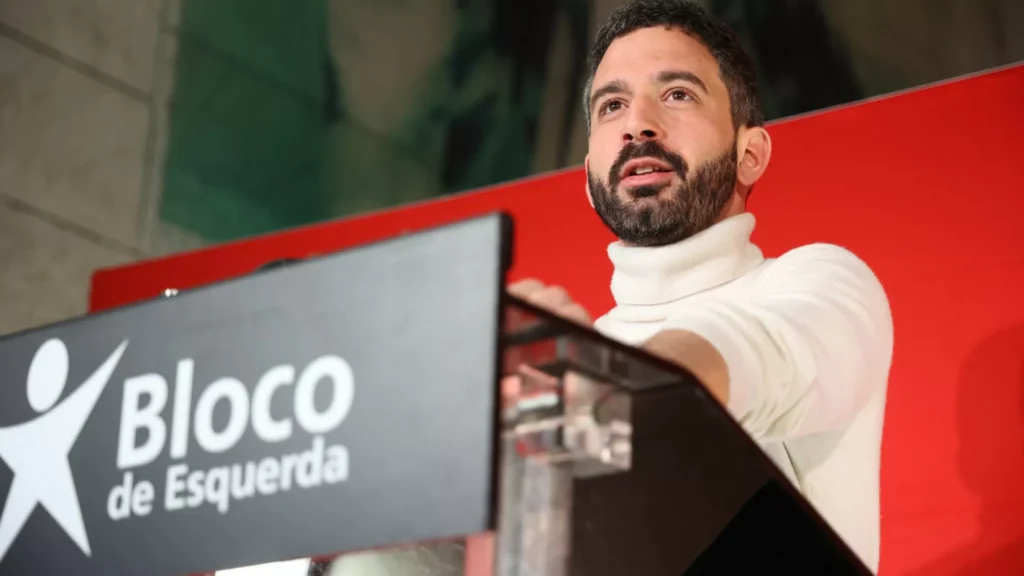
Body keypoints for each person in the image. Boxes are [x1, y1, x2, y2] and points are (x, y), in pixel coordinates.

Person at [509, 0, 894, 572]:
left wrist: (596, 386)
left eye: (677, 94)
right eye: (612, 105)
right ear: (589, 180)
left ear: (750, 154)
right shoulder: (573, 359)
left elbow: (752, 352)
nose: (638, 124)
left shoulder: (820, 280)